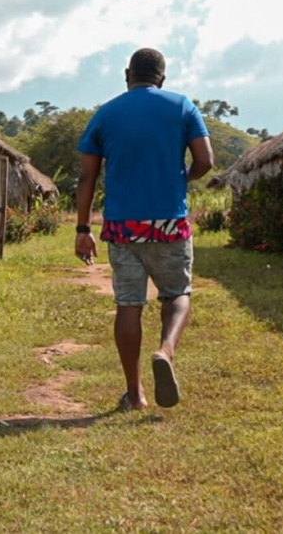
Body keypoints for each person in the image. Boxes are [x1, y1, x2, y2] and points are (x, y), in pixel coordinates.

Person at [75, 48, 213, 411]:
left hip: (123, 226)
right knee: (177, 293)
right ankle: (165, 351)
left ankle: (135, 395)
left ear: (127, 75)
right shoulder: (182, 107)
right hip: (169, 222)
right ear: (162, 78)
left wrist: (83, 228)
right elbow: (205, 161)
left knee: (128, 305)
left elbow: (86, 176)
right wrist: (181, 179)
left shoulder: (106, 114)